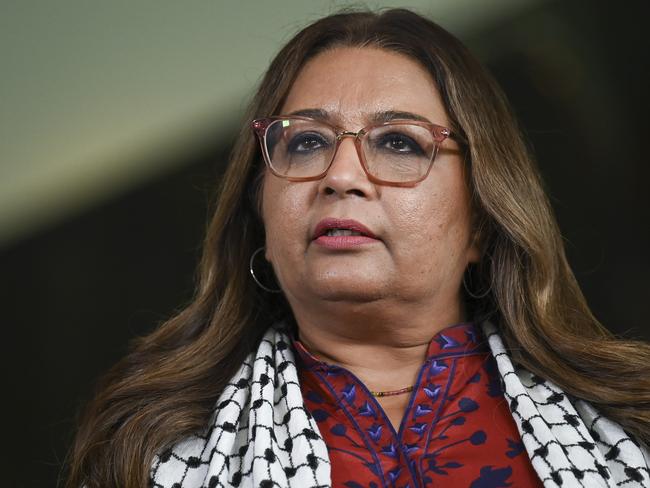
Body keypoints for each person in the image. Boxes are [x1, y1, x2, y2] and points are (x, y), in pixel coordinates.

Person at [66, 8, 650, 488]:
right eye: (306, 142)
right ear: (260, 217)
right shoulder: (147, 456)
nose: (341, 175)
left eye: (398, 141)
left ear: (482, 220)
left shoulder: (630, 425)